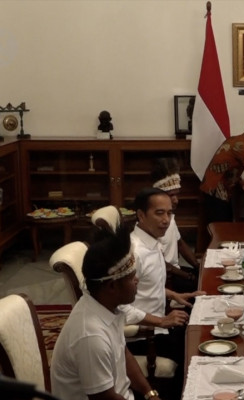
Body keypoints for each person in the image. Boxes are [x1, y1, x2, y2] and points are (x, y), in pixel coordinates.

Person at [51, 224, 161, 400]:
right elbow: (104, 398)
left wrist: (150, 393)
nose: (137, 280)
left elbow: (123, 353)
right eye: (131, 278)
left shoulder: (106, 306)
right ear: (112, 286)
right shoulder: (91, 336)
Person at [122, 187, 203, 392]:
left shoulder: (152, 241)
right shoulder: (133, 253)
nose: (166, 220)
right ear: (141, 215)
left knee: (202, 325)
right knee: (196, 349)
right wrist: (161, 321)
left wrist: (175, 294)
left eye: (169, 213)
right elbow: (118, 308)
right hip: (141, 335)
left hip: (158, 325)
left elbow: (147, 287)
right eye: (159, 213)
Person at [151, 157, 200, 293]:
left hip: (175, 270)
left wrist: (197, 266)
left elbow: (180, 244)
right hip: (165, 278)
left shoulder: (170, 217)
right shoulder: (153, 224)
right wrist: (188, 276)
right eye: (171, 195)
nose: (176, 200)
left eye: (176, 195)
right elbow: (161, 263)